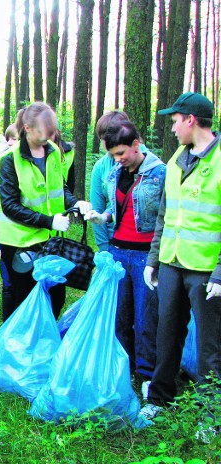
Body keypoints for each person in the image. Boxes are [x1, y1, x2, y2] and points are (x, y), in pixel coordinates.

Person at [139, 93, 221, 437]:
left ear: (190, 120)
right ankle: (159, 399)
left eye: (175, 120)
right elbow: (164, 213)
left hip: (206, 270)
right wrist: (153, 259)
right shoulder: (176, 160)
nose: (171, 127)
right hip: (171, 263)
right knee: (166, 333)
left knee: (210, 346)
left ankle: (210, 416)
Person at [86, 120, 165, 387]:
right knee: (119, 316)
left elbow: (164, 217)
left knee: (146, 320)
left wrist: (156, 259)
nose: (118, 160)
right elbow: (116, 206)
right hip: (119, 252)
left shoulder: (159, 173)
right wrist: (103, 216)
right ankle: (123, 367)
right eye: (113, 156)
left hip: (145, 256)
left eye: (120, 153)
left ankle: (146, 374)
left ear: (135, 145)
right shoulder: (116, 173)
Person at [0, 102, 91, 320]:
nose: (49, 135)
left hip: (49, 241)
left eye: (52, 131)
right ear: (27, 128)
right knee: (26, 302)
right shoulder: (9, 160)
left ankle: (45, 345)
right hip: (19, 243)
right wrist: (49, 221)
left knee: (56, 296)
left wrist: (75, 203)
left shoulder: (54, 151)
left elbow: (60, 187)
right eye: (44, 131)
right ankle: (22, 349)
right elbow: (9, 205)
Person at [90, 111, 132, 252]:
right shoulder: (101, 167)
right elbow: (97, 209)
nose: (105, 143)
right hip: (111, 240)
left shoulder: (143, 162)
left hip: (140, 243)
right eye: (102, 139)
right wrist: (104, 248)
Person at [0, 124, 18, 321]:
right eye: (9, 139)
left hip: (22, 238)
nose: (10, 143)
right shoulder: (3, 165)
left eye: (14, 139)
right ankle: (7, 326)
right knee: (8, 282)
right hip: (4, 234)